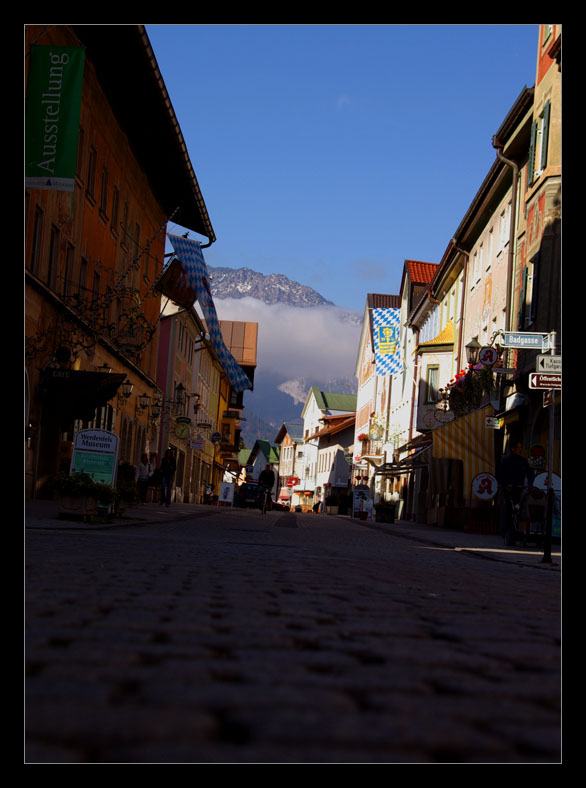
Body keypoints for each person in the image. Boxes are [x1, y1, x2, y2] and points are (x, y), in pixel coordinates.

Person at [498, 440, 534, 536]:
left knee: (521, 508)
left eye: (521, 447)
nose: (520, 450)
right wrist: (506, 485)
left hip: (520, 489)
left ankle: (519, 529)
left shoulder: (523, 461)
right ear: (513, 449)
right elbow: (500, 476)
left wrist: (529, 484)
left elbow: (530, 474)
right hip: (509, 490)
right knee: (509, 508)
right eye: (518, 448)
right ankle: (507, 530)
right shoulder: (506, 461)